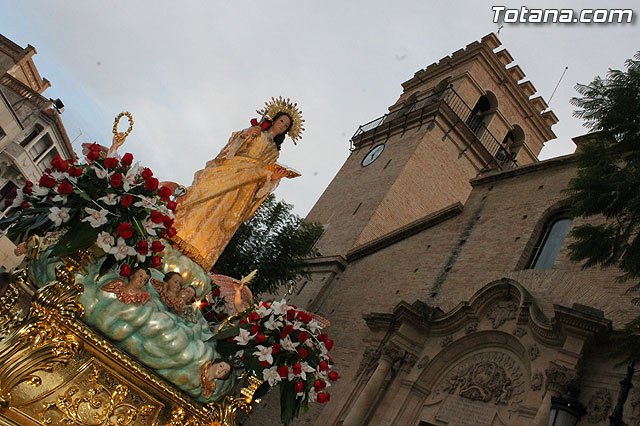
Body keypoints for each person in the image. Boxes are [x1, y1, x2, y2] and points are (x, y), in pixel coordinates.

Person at [171, 97, 304, 271]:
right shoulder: (257, 132)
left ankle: (198, 251)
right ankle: (178, 232)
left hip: (246, 186)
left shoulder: (274, 151)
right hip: (230, 172)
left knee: (224, 214)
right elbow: (232, 148)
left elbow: (266, 174)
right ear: (274, 119)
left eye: (286, 126)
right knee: (206, 198)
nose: (282, 126)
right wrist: (245, 134)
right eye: (281, 121)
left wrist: (273, 178)